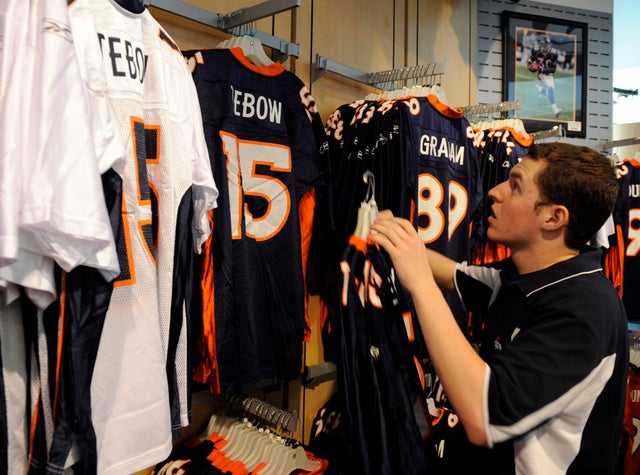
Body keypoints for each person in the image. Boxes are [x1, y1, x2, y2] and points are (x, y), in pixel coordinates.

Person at [369, 142, 629, 474]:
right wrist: (399, 240)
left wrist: (418, 281)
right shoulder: (528, 278)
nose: (494, 192)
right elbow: (457, 276)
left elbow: (484, 416)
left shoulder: (584, 310)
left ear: (553, 217)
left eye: (516, 186)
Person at [527, 36, 563, 118]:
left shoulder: (553, 54)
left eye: (545, 46)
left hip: (549, 74)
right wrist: (530, 67)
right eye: (542, 46)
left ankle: (539, 89)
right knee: (550, 90)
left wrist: (545, 69)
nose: (543, 48)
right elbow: (530, 61)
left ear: (549, 46)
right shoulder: (535, 51)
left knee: (550, 92)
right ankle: (555, 110)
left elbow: (553, 69)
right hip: (541, 74)